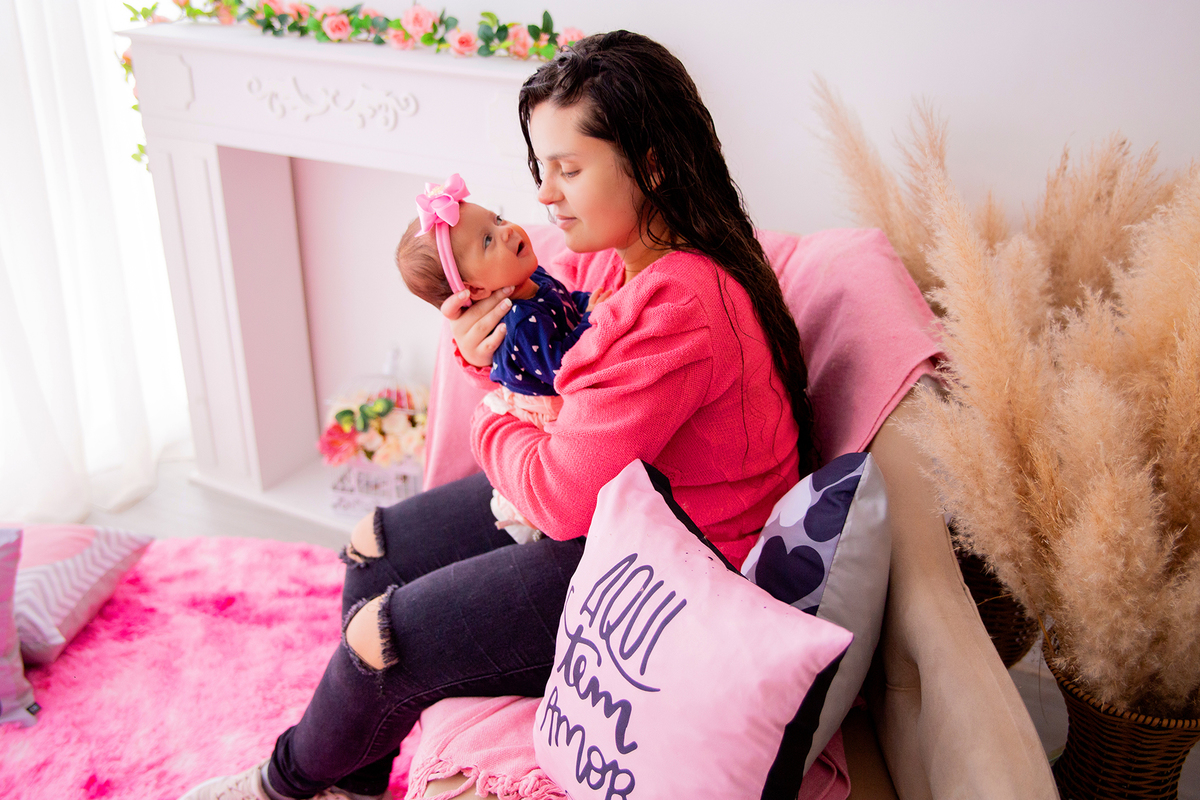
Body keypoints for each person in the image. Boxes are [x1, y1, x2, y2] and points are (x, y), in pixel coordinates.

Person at [180, 29, 820, 800]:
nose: (545, 197)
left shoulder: (681, 302)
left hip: (664, 573)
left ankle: (278, 787)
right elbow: (549, 357)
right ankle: (349, 781)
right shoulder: (632, 260)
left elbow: (556, 497)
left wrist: (490, 410)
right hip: (617, 515)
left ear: (651, 163)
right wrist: (481, 354)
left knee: (378, 639)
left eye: (569, 169)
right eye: (540, 169)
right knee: (371, 546)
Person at [396, 181, 612, 540]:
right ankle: (518, 516)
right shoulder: (519, 323)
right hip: (547, 411)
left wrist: (587, 303)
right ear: (477, 290)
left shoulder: (530, 277)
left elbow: (567, 303)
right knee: (528, 513)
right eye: (488, 240)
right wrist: (595, 319)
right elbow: (562, 366)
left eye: (497, 220)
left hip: (559, 402)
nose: (507, 230)